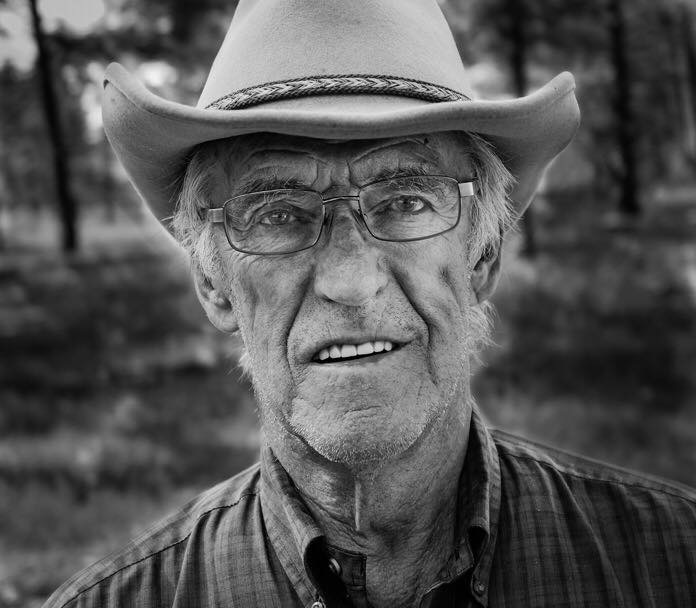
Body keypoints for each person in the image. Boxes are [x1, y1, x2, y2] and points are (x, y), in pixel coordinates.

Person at [44, 0, 696, 606]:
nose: (351, 282)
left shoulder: (674, 564)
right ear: (213, 284)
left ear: (483, 256)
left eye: (406, 202)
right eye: (278, 214)